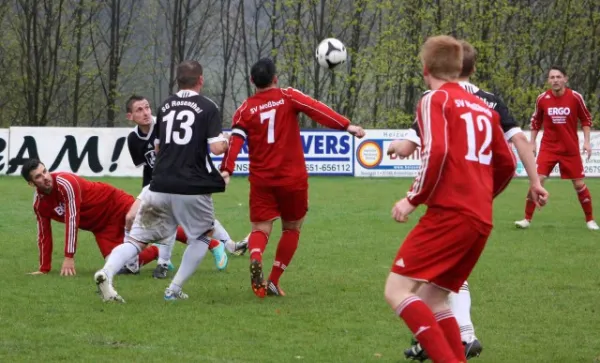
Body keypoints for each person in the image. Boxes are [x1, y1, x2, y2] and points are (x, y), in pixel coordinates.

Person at [388, 40, 549, 360]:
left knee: (396, 291)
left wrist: (412, 198)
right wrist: (482, 196)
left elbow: (436, 151)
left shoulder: (434, 98)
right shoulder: (484, 108)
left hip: (449, 214)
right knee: (435, 300)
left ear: (425, 69)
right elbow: (505, 163)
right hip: (479, 218)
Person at [219, 58, 365, 298]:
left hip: (262, 180)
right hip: (292, 179)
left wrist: (227, 170)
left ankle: (255, 256)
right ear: (275, 78)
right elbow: (318, 109)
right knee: (292, 228)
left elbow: (235, 141)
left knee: (260, 227)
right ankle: (274, 281)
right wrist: (346, 126)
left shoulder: (245, 109)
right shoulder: (288, 96)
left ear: (252, 81)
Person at [94, 60, 229, 302]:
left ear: (178, 82)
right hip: (192, 185)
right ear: (201, 80)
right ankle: (173, 290)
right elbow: (217, 148)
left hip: (159, 184)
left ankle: (107, 272)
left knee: (135, 240)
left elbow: (157, 149)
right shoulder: (208, 106)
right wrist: (227, 141)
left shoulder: (166, 106)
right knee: (204, 235)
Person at [125, 95, 248, 279]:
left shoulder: (164, 124)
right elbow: (148, 167)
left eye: (147, 107)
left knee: (185, 219)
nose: (146, 113)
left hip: (181, 178)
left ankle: (163, 263)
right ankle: (228, 245)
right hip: (157, 183)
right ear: (130, 116)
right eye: (139, 110)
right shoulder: (133, 139)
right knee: (134, 217)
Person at [22, 158, 159, 276]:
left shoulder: (65, 183)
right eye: (38, 176)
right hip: (101, 228)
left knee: (158, 225)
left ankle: (174, 237)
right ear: (31, 184)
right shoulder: (40, 204)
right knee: (119, 267)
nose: (45, 177)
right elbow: (44, 236)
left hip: (114, 203)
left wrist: (69, 257)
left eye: (44, 171)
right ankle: (158, 251)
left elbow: (72, 219)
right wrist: (44, 268)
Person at [515, 66, 599, 231]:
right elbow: (535, 122)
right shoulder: (542, 99)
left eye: (558, 77)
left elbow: (586, 119)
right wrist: (532, 143)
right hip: (549, 148)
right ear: (548, 80)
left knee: (579, 184)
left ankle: (590, 220)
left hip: (570, 148)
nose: (555, 80)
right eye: (552, 77)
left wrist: (587, 142)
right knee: (537, 181)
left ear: (565, 79)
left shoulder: (575, 98)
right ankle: (526, 219)